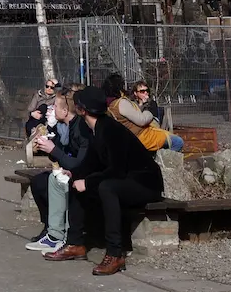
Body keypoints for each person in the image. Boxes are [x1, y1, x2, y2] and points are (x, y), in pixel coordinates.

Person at [43, 88, 165, 276]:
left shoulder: (110, 130)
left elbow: (116, 170)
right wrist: (76, 174)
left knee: (106, 187)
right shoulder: (93, 128)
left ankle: (115, 254)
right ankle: (75, 244)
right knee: (77, 180)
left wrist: (89, 183)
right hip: (126, 180)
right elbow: (92, 163)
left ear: (82, 110)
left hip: (146, 183)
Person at [26, 88, 90, 254]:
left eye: (54, 106)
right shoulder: (66, 126)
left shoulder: (81, 129)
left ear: (65, 110)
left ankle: (59, 235)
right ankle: (52, 232)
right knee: (42, 181)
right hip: (74, 172)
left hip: (88, 177)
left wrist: (53, 150)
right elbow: (64, 157)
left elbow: (78, 162)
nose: (50, 109)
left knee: (56, 182)